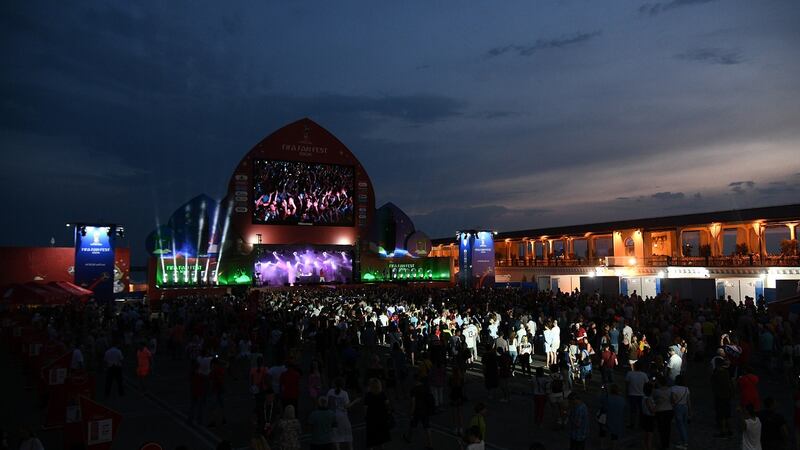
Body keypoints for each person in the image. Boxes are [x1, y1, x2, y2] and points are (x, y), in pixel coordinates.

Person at [403, 375, 434, 449]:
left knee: (413, 425)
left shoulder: (414, 389)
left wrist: (411, 412)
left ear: (415, 380)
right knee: (427, 426)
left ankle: (409, 438)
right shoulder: (426, 388)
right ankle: (430, 444)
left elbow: (413, 403)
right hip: (425, 410)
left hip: (417, 410)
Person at [327, 378, 357, 450]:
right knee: (348, 435)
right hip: (342, 416)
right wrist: (355, 401)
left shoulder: (330, 392)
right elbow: (347, 406)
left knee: (335, 435)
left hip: (333, 416)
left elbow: (327, 402)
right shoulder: (344, 393)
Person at [364, 378, 391, 450]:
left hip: (371, 418)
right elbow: (387, 404)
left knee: (371, 437)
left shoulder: (368, 395)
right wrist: (388, 413)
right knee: (380, 437)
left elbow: (365, 408)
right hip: (381, 417)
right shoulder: (382, 394)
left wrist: (365, 416)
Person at [712, 359, 734, 437]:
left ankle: (723, 431)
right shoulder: (726, 372)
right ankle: (730, 430)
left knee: (722, 414)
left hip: (720, 396)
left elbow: (713, 384)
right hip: (727, 395)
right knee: (727, 413)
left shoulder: (717, 373)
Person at [600, 384, 625, 450]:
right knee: (614, 436)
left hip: (608, 418)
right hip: (617, 420)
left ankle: (603, 446)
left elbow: (603, 406)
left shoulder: (607, 398)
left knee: (604, 432)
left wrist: (602, 390)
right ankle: (613, 447)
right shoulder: (622, 399)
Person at [652, 375, 673, 450]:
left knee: (661, 428)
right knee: (668, 428)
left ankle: (663, 444)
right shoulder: (670, 390)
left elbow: (653, 399)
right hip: (669, 410)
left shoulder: (656, 391)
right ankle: (666, 444)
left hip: (660, 411)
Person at [670, 375, 691, 450]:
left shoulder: (673, 388)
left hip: (678, 407)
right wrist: (690, 411)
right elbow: (689, 401)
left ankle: (684, 443)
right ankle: (682, 440)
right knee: (684, 425)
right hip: (685, 407)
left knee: (680, 425)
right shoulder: (686, 389)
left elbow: (673, 400)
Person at [625, 361, 648, 428]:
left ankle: (632, 423)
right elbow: (647, 385)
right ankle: (641, 424)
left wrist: (626, 393)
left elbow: (626, 384)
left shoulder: (629, 374)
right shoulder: (644, 375)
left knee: (632, 411)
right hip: (641, 394)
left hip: (632, 394)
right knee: (641, 410)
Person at [641, 382, 656, 450]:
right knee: (649, 436)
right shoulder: (648, 399)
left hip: (644, 417)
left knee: (645, 435)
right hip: (649, 418)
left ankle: (645, 447)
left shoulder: (644, 397)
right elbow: (652, 410)